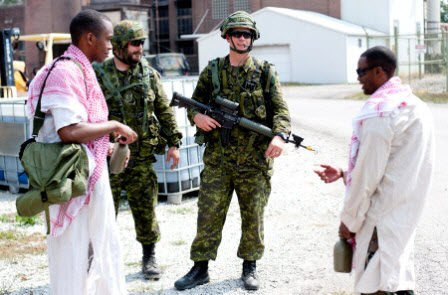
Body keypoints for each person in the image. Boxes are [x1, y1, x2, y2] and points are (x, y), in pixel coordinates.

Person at [174, 11, 291, 291]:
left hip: (254, 161)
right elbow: (194, 103)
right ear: (227, 36)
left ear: (253, 38)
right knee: (209, 213)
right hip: (218, 159)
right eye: (237, 33)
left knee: (253, 215)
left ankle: (249, 266)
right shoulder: (213, 71)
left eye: (247, 34)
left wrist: (280, 137)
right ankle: (200, 268)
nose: (242, 38)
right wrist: (197, 118)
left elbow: (281, 111)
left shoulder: (265, 72)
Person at [25, 10, 138, 294]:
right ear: (90, 38)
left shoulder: (77, 68)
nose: (112, 45)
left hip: (80, 170)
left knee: (96, 245)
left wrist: (105, 145)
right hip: (69, 177)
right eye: (108, 39)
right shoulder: (66, 71)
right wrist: (112, 125)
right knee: (73, 253)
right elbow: (68, 132)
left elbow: (74, 131)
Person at [314, 46, 434, 295]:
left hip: (380, 217)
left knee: (377, 283)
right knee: (397, 278)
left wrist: (349, 220)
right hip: (403, 214)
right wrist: (345, 173)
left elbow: (368, 177)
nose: (358, 77)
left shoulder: (383, 113)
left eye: (361, 71)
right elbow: (397, 163)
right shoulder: (414, 105)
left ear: (379, 71)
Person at [94, 20, 182, 280]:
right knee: (101, 210)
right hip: (106, 156)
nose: (139, 48)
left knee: (145, 209)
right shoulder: (100, 75)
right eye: (134, 43)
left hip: (141, 157)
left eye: (142, 42)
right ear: (120, 45)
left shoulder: (149, 74)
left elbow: (163, 111)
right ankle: (97, 258)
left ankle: (149, 256)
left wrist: (174, 143)